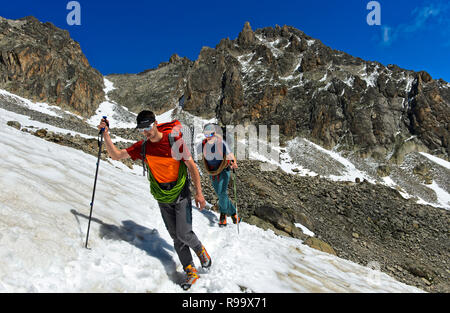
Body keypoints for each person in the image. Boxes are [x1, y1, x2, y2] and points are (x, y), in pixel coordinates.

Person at [98, 111, 211, 290]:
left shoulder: (174, 142)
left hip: (180, 192)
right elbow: (116, 155)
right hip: (162, 195)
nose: (146, 132)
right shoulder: (143, 147)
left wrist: (199, 193)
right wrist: (105, 135)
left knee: (183, 233)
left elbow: (192, 167)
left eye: (148, 127)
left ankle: (200, 250)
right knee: (175, 236)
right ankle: (190, 269)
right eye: (142, 129)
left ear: (155, 123)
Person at [199, 123, 239, 227]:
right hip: (213, 172)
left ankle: (223, 215)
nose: (208, 137)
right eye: (206, 135)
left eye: (210, 134)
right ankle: (234, 213)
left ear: (214, 133)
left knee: (221, 193)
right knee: (221, 194)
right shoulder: (204, 143)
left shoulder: (222, 143)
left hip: (223, 170)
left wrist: (233, 163)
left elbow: (230, 155)